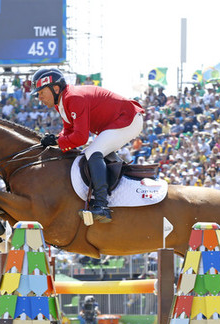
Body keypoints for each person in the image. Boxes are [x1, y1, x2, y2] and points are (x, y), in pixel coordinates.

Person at [32, 68, 145, 223]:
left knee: (92, 152)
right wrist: (55, 138)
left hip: (127, 119)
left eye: (41, 92)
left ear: (56, 88)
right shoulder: (62, 103)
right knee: (96, 150)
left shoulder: (73, 98)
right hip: (117, 122)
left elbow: (80, 137)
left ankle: (101, 205)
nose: (39, 98)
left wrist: (58, 142)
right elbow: (69, 130)